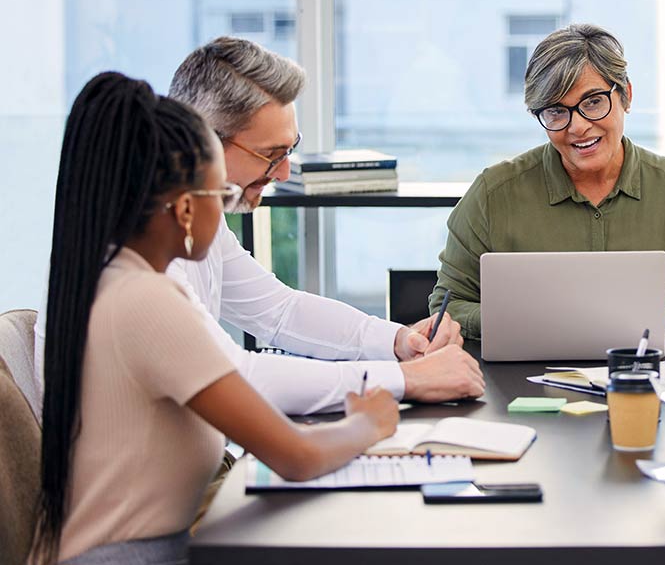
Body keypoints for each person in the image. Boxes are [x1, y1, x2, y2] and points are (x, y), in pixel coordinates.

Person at [33, 73, 398, 564]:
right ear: (185, 210)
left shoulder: (109, 276)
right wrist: (368, 423)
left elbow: (279, 308)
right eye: (219, 196)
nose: (227, 211)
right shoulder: (145, 300)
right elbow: (295, 455)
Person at [36, 36, 484, 414]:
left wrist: (398, 340)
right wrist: (404, 379)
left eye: (291, 149)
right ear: (203, 141)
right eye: (272, 155)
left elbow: (280, 310)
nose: (285, 173)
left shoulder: (185, 229)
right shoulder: (141, 264)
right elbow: (237, 374)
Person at [430, 23, 665, 341]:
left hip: (654, 381)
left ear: (626, 95)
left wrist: (664, 314)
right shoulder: (492, 195)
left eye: (593, 102)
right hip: (520, 381)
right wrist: (521, 319)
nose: (578, 127)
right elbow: (446, 309)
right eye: (556, 111)